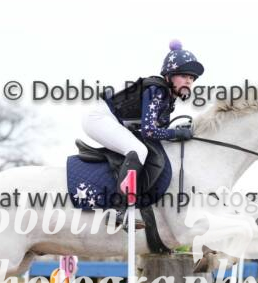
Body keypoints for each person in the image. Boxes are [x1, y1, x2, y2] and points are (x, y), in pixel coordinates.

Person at [81, 40, 204, 204]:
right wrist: (176, 133)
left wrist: (177, 130)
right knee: (138, 150)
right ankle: (122, 205)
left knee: (143, 149)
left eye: (192, 78)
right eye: (183, 76)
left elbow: (158, 131)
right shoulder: (157, 91)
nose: (189, 81)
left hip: (111, 120)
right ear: (168, 76)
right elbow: (149, 132)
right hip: (98, 118)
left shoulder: (167, 101)